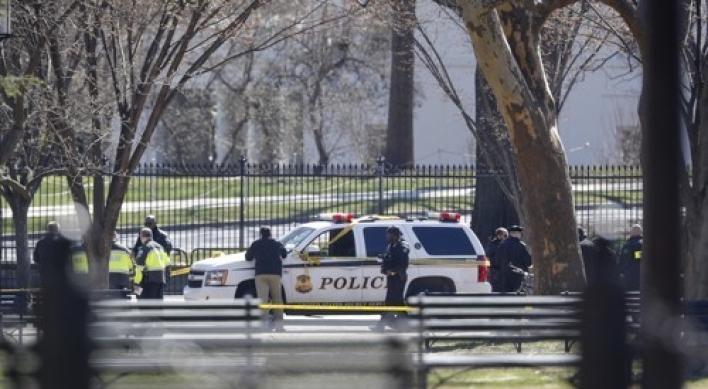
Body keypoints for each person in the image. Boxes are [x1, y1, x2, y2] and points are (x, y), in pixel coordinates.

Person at [245, 226, 287, 332]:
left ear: (261, 234)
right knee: (277, 299)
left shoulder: (256, 244)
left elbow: (248, 257)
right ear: (270, 233)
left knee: (263, 300)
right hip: (275, 274)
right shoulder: (277, 243)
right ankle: (279, 326)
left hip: (261, 274)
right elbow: (285, 255)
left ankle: (263, 325)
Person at [372, 226, 410, 332]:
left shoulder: (402, 246)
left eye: (388, 234)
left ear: (394, 235)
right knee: (398, 302)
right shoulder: (391, 245)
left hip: (398, 278)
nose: (386, 236)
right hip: (392, 278)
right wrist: (384, 266)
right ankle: (406, 325)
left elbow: (403, 264)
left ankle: (380, 326)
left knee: (390, 301)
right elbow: (389, 258)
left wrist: (392, 271)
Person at [133, 227, 169, 299]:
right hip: (161, 280)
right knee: (158, 304)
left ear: (141, 236)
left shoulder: (144, 248)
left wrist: (136, 282)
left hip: (148, 281)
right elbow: (167, 263)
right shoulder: (160, 247)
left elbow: (139, 267)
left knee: (146, 304)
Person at [496, 225, 532, 293]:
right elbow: (528, 262)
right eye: (520, 233)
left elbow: (497, 260)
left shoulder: (502, 245)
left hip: (505, 275)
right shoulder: (521, 245)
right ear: (517, 234)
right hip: (519, 276)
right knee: (519, 295)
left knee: (506, 296)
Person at [33, 221, 63, 289]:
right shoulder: (60, 242)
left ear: (48, 230)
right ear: (57, 230)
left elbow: (35, 258)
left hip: (44, 271)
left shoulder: (40, 242)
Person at [618, 224, 643, 292]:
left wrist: (621, 271)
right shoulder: (644, 243)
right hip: (642, 274)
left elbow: (624, 260)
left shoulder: (629, 245)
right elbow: (639, 257)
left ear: (631, 232)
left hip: (630, 274)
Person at [486, 227, 508, 292]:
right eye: (505, 235)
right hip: (498, 271)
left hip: (497, 271)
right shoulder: (498, 245)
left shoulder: (492, 244)